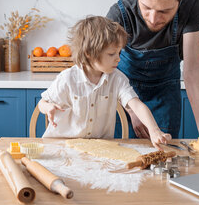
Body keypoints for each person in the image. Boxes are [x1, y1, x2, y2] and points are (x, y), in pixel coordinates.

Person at [106, 0, 199, 138]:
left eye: (164, 11)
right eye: (146, 7)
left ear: (180, 0)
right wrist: (133, 110)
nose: (153, 18)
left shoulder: (192, 4)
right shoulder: (119, 14)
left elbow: (193, 65)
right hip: (124, 94)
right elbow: (105, 72)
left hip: (165, 95)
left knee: (164, 158)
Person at [38, 16, 172, 149]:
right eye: (112, 54)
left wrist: (154, 131)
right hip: (60, 146)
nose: (118, 59)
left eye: (119, 53)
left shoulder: (117, 79)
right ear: (89, 53)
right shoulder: (67, 79)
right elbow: (42, 103)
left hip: (98, 148)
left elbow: (136, 105)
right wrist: (48, 108)